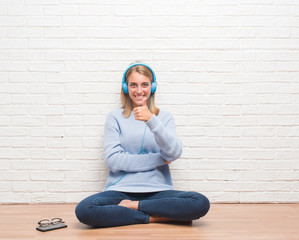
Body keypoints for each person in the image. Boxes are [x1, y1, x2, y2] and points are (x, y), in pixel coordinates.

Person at [75, 62, 210, 227]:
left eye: (144, 84)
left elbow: (174, 153)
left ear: (152, 87)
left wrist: (151, 120)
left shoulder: (164, 117)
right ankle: (156, 217)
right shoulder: (115, 117)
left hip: (158, 191)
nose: (139, 90)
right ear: (126, 88)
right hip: (120, 191)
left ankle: (133, 208)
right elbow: (113, 161)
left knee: (200, 202)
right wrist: (160, 159)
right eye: (133, 85)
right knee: (84, 210)